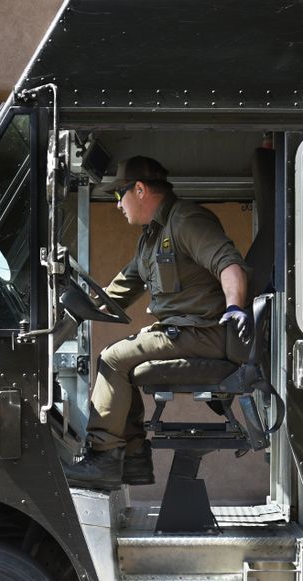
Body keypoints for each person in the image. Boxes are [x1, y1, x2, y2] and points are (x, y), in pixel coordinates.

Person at [65, 156, 250, 489]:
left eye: (118, 194)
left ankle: (104, 457)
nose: (117, 204)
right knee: (120, 355)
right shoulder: (151, 236)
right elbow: (120, 289)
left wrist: (235, 306)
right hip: (182, 333)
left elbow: (229, 263)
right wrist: (77, 309)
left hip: (204, 333)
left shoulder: (186, 221)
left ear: (139, 189)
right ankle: (134, 459)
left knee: (113, 358)